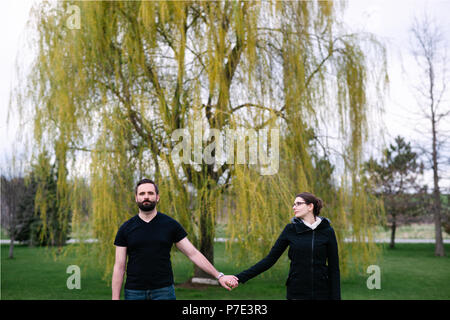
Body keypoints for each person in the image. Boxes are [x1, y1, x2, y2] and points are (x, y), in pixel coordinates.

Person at [112, 178, 238, 300]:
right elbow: (119, 266)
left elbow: (193, 253)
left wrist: (219, 276)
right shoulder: (126, 228)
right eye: (142, 193)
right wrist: (115, 298)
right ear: (136, 198)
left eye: (150, 193)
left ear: (157, 197)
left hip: (164, 291)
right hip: (134, 292)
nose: (146, 197)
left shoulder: (170, 225)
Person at [231, 192, 341, 300]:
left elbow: (334, 268)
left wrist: (336, 297)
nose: (294, 207)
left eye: (298, 204)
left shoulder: (327, 231)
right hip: (296, 292)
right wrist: (239, 277)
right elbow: (270, 260)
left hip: (322, 292)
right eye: (294, 204)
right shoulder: (290, 230)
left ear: (310, 206)